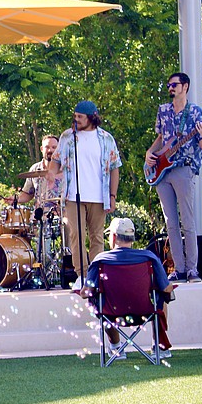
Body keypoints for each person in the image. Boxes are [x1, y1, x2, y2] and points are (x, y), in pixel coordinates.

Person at [144, 72, 202, 283]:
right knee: (170, 222)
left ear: (185, 87)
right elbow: (162, 137)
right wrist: (149, 153)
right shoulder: (163, 110)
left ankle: (192, 269)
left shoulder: (196, 113)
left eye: (175, 84)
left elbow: (201, 144)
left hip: (183, 168)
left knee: (187, 221)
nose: (171, 88)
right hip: (163, 171)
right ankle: (178, 269)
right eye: (169, 85)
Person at [47, 100, 121, 282]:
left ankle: (95, 275)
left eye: (80, 117)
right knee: (76, 235)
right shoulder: (67, 137)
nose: (76, 120)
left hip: (99, 196)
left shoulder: (106, 138)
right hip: (73, 196)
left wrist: (112, 196)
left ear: (92, 117)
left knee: (97, 236)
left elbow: (114, 168)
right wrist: (50, 173)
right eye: (75, 116)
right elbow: (55, 161)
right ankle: (82, 274)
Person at [84, 218, 176, 360]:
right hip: (145, 311)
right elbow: (166, 287)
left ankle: (116, 347)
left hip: (111, 314)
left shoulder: (100, 260)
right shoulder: (148, 257)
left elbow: (87, 291)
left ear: (113, 237)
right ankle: (159, 346)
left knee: (99, 302)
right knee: (161, 298)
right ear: (132, 238)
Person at [9, 134, 63, 212]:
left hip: (61, 217)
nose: (50, 150)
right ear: (41, 149)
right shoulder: (35, 169)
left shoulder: (65, 169)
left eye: (54, 147)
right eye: (47, 147)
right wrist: (16, 199)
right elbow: (28, 193)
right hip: (39, 217)